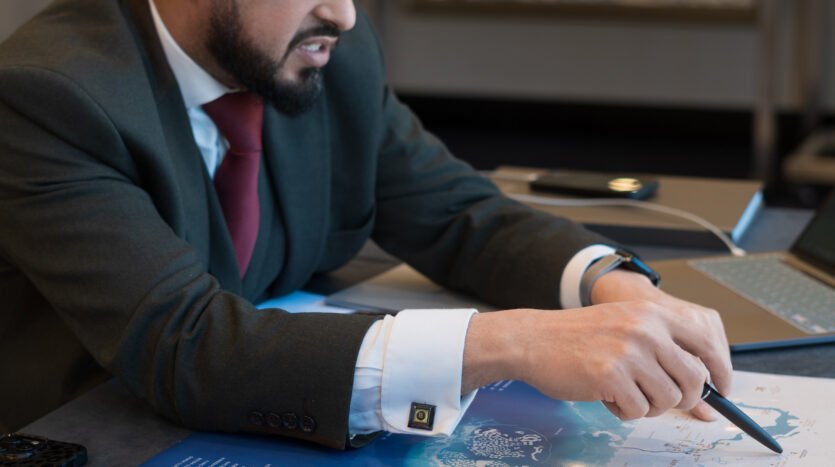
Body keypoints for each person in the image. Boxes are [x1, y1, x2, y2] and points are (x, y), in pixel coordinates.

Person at [0, 0, 732, 449]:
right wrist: (514, 342)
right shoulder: (45, 96)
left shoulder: (318, 55)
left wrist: (611, 284)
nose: (345, 15)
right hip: (92, 426)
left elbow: (454, 209)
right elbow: (184, 343)